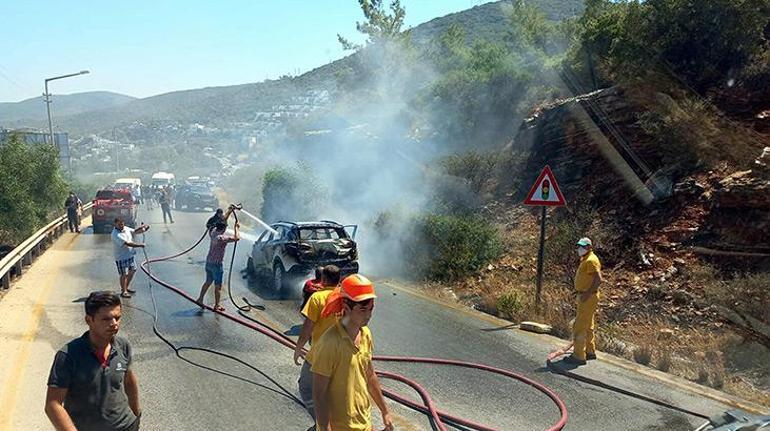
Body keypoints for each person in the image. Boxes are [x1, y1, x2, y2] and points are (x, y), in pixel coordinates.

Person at [45, 291, 141, 431]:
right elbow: (53, 405)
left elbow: (129, 380)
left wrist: (136, 415)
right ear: (89, 320)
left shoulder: (123, 346)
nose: (114, 324)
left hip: (126, 426)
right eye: (106, 319)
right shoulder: (68, 355)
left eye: (117, 317)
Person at [312, 274, 393, 431]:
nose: (368, 315)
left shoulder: (365, 335)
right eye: (363, 310)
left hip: (364, 423)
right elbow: (319, 393)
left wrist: (385, 411)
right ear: (347, 307)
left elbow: (370, 376)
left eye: (371, 309)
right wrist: (323, 427)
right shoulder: (329, 343)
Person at [293, 265, 341, 425]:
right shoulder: (345, 299)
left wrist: (298, 348)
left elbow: (307, 327)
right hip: (341, 354)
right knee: (331, 391)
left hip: (319, 355)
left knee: (306, 387)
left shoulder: (317, 298)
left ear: (323, 280)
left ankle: (322, 423)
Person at [564, 237, 603, 366]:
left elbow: (598, 279)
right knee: (588, 325)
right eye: (579, 246)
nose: (580, 249)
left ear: (589, 247)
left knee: (580, 326)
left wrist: (586, 293)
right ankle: (590, 351)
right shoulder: (586, 259)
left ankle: (579, 356)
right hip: (587, 296)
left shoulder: (591, 260)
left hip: (588, 297)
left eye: (583, 246)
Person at [195, 220, 240, 311]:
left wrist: (230, 210)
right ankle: (217, 305)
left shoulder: (214, 233)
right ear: (224, 228)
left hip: (209, 263)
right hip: (217, 265)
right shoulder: (222, 238)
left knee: (208, 282)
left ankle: (200, 299)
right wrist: (237, 227)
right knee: (218, 286)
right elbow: (237, 238)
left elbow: (220, 223)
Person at [111, 218, 150, 299]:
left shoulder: (125, 228)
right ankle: (123, 292)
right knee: (123, 274)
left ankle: (125, 287)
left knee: (132, 271)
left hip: (130, 255)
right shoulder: (115, 234)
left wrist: (143, 228)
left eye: (122, 224)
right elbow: (128, 243)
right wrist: (140, 245)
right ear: (115, 224)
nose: (121, 226)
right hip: (121, 257)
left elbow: (135, 231)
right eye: (119, 224)